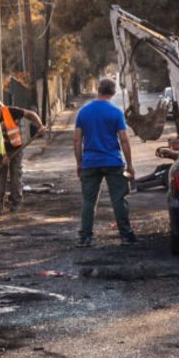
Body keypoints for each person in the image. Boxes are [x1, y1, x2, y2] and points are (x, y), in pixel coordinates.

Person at [74, 77, 138, 247]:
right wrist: (129, 163)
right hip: (113, 162)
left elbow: (77, 140)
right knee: (118, 199)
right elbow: (124, 139)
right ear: (114, 92)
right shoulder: (116, 112)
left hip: (90, 162)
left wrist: (79, 163)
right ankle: (126, 235)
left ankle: (85, 237)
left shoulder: (83, 112)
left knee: (89, 201)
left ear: (98, 90)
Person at [0, 92, 45, 209]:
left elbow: (30, 113)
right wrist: (3, 156)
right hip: (0, 150)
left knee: (15, 173)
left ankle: (16, 201)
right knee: (1, 174)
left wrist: (40, 125)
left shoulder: (10, 112)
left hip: (15, 148)